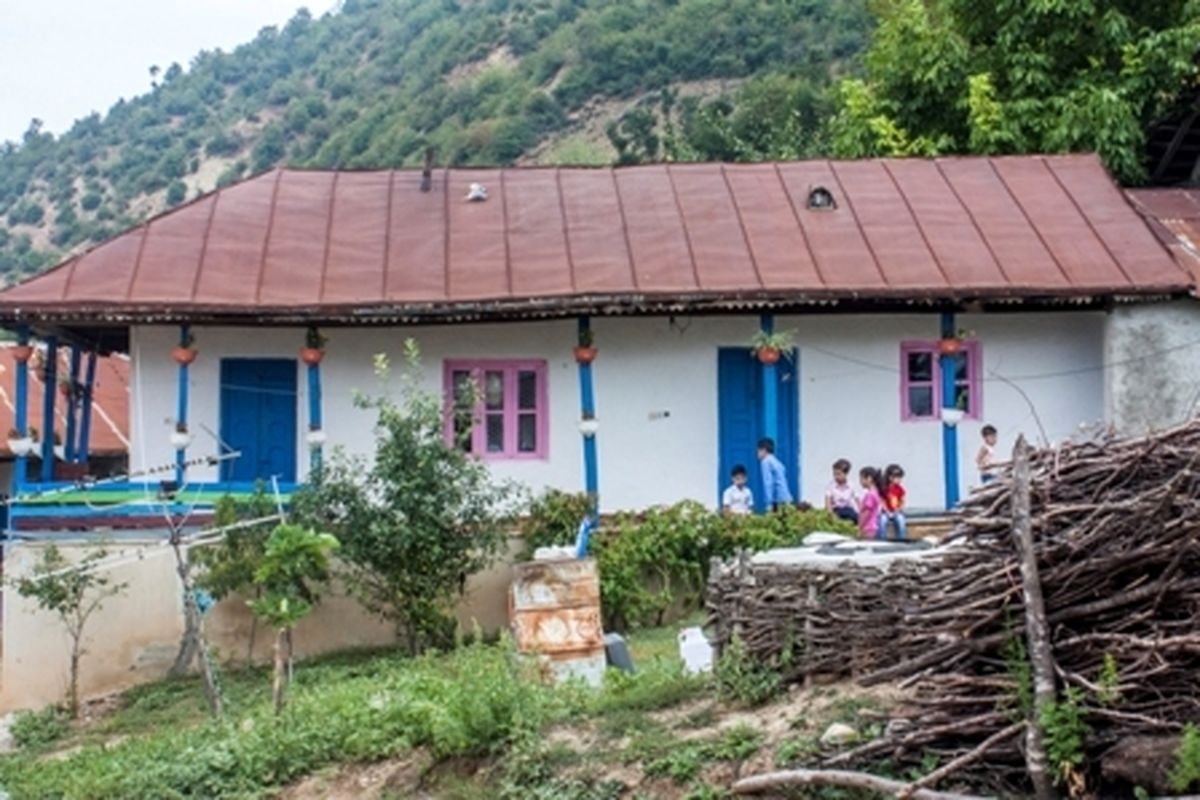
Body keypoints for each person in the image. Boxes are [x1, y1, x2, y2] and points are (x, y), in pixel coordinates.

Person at [757, 438, 793, 512]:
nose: (757, 453)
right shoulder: (777, 462)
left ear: (764, 450)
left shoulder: (765, 462)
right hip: (786, 497)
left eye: (758, 451)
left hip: (777, 500)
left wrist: (769, 502)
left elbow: (768, 483)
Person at [825, 458, 858, 523]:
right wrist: (831, 514)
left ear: (846, 474)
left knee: (854, 516)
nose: (836, 476)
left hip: (848, 510)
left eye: (839, 474)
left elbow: (858, 500)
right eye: (834, 474)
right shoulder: (831, 486)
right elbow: (827, 502)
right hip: (836, 510)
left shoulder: (851, 485)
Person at [880, 463, 908, 541]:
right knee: (882, 522)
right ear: (890, 478)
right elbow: (882, 501)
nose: (899, 480)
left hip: (897, 512)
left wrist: (898, 510)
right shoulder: (884, 489)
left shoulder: (900, 489)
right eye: (897, 478)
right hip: (886, 512)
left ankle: (902, 539)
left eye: (900, 478)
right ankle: (882, 540)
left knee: (901, 521)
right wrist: (886, 511)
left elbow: (902, 501)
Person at [858, 466, 882, 538]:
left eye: (861, 479)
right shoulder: (875, 492)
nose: (860, 482)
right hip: (872, 527)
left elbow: (866, 513)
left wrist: (859, 527)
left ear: (869, 478)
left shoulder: (870, 495)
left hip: (868, 528)